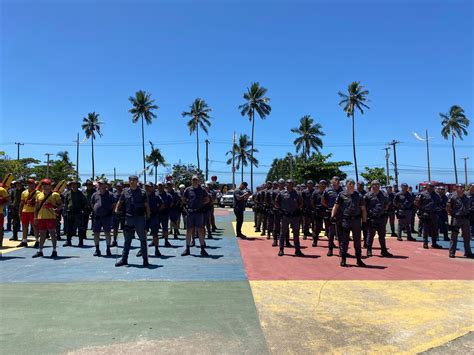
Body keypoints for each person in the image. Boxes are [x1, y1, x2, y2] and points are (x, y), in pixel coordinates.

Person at [114, 175, 150, 267]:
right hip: (129, 218)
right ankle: (124, 259)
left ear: (137, 181)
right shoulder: (125, 192)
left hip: (140, 218)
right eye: (130, 180)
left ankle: (145, 260)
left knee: (142, 240)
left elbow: (147, 206)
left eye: (134, 180)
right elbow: (120, 202)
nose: (132, 181)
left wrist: (148, 220)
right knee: (127, 240)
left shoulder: (142, 192)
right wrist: (117, 210)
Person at [331, 179, 367, 267]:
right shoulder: (341, 195)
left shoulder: (359, 196)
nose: (351, 185)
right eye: (349, 184)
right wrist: (332, 216)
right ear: (346, 185)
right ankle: (343, 259)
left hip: (356, 221)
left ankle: (358, 260)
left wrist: (364, 221)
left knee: (357, 241)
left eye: (353, 184)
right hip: (345, 221)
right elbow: (336, 206)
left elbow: (363, 209)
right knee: (344, 241)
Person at [32, 179, 63, 258]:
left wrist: (53, 207)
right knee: (42, 234)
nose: (44, 186)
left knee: (52, 233)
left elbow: (61, 205)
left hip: (51, 217)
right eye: (43, 184)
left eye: (46, 184)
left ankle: (54, 250)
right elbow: (36, 207)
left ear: (50, 185)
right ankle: (40, 250)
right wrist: (35, 217)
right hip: (41, 217)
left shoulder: (55, 195)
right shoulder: (39, 195)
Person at [181, 175, 209, 257]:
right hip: (190, 212)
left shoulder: (202, 190)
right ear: (191, 181)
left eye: (196, 179)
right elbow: (183, 199)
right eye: (193, 180)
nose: (195, 181)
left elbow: (207, 199)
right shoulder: (188, 189)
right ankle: (187, 249)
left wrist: (201, 204)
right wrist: (188, 204)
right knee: (189, 230)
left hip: (199, 213)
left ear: (199, 181)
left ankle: (202, 249)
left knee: (200, 230)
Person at [275, 179, 304, 257]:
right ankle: (281, 249)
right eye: (288, 183)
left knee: (296, 233)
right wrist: (281, 209)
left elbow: (301, 203)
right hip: (285, 216)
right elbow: (276, 202)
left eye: (291, 183)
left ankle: (297, 250)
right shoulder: (281, 193)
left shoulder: (297, 193)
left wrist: (297, 209)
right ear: (286, 184)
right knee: (282, 233)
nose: (290, 184)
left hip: (295, 216)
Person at [365, 180, 393, 257]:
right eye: (375, 184)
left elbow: (387, 204)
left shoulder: (384, 194)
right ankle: (369, 250)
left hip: (381, 218)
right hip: (371, 218)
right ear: (372, 185)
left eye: (378, 184)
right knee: (370, 235)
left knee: (382, 235)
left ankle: (383, 251)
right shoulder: (367, 195)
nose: (377, 186)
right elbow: (364, 207)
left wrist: (383, 210)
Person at [90, 180, 115, 256]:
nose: (100, 185)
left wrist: (111, 212)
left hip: (107, 217)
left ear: (105, 185)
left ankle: (108, 249)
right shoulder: (95, 194)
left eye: (101, 184)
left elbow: (114, 204)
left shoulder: (110, 194)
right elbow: (92, 203)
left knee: (107, 233)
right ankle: (97, 250)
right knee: (96, 233)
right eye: (99, 184)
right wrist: (95, 210)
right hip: (97, 217)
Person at [446, 184, 472, 258]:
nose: (462, 189)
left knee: (467, 236)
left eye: (463, 188)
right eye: (461, 188)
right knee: (454, 236)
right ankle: (452, 252)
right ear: (457, 189)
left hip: (465, 219)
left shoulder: (467, 197)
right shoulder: (453, 196)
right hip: (456, 218)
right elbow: (448, 207)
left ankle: (468, 252)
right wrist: (452, 214)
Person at [415, 183, 443, 249]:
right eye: (430, 186)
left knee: (435, 230)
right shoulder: (422, 194)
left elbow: (440, 204)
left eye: (432, 186)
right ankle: (425, 243)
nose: (431, 187)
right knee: (426, 229)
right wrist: (421, 209)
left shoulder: (437, 195)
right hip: (426, 214)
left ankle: (434, 243)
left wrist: (438, 209)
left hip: (434, 214)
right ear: (427, 187)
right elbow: (417, 203)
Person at [321, 176, 343, 256]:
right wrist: (330, 207)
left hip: (340, 213)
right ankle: (330, 249)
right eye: (334, 180)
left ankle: (342, 250)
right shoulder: (327, 190)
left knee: (341, 233)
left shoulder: (343, 190)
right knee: (331, 232)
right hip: (330, 213)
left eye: (337, 180)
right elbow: (323, 201)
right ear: (331, 181)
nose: (336, 181)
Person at [63, 180, 88, 247]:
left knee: (80, 228)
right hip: (70, 212)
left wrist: (83, 210)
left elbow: (85, 203)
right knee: (69, 228)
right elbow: (65, 203)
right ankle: (68, 241)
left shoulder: (81, 194)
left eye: (75, 184)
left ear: (77, 185)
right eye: (72, 184)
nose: (73, 186)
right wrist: (65, 211)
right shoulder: (67, 194)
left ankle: (81, 241)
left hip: (78, 212)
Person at [17, 179, 39, 248]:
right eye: (28, 183)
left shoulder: (38, 193)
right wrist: (19, 213)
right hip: (25, 211)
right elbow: (21, 203)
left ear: (34, 184)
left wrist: (34, 202)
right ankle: (24, 241)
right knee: (24, 226)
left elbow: (39, 203)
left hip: (33, 212)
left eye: (31, 183)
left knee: (35, 226)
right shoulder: (24, 192)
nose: (30, 185)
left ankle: (37, 241)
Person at [144, 182, 162, 256]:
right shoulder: (143, 195)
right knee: (143, 234)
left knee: (155, 234)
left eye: (149, 186)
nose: (147, 188)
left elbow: (162, 204)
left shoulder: (156, 196)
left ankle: (156, 249)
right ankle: (142, 250)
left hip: (154, 216)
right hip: (145, 217)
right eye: (146, 186)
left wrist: (157, 210)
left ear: (152, 187)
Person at [157, 182, 173, 247]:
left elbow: (171, 203)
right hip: (156, 214)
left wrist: (167, 209)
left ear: (164, 186)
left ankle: (166, 241)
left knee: (165, 228)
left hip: (165, 214)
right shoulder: (155, 194)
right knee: (155, 228)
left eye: (162, 186)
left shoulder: (168, 195)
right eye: (159, 186)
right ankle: (154, 241)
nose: (160, 187)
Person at [311, 180, 327, 248]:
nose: (323, 185)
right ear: (319, 185)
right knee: (317, 227)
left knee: (328, 228)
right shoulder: (315, 192)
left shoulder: (328, 192)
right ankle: (315, 240)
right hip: (318, 211)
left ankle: (331, 243)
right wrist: (315, 208)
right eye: (321, 184)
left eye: (324, 184)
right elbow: (312, 202)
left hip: (326, 211)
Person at [111, 182, 125, 247]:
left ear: (122, 187)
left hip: (123, 214)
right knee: (115, 228)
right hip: (115, 214)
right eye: (117, 186)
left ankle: (126, 242)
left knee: (125, 229)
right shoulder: (113, 194)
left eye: (120, 186)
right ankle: (114, 241)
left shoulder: (125, 194)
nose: (119, 187)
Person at [0, 182, 11, 248]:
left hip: (0, 213)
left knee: (0, 229)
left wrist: (1, 205)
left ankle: (0, 245)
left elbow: (9, 201)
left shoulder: (2, 190)